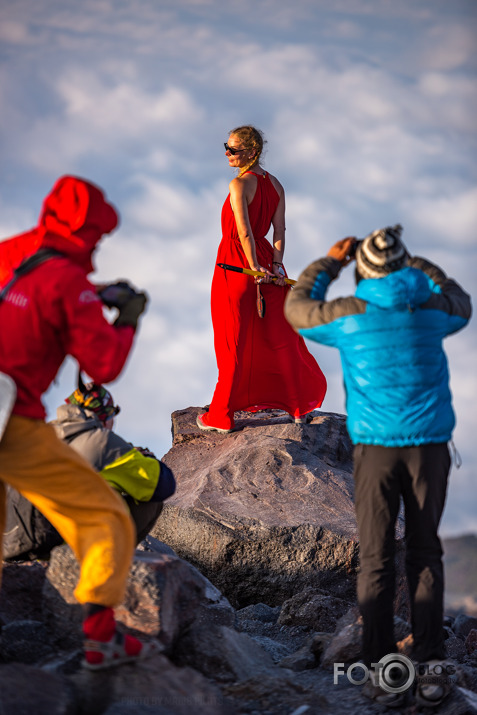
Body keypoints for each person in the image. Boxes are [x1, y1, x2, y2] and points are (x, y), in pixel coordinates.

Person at [284, 225, 471, 708]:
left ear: (364, 271)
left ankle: (379, 669)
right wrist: (420, 268)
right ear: (405, 268)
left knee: (376, 557)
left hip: (376, 451)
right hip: (429, 448)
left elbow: (297, 308)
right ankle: (430, 662)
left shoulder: (351, 315)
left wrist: (329, 263)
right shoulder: (430, 310)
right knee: (426, 552)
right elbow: (459, 299)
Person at [0, 175, 156, 670]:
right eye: (99, 234)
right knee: (103, 515)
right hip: (12, 420)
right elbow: (104, 363)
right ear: (88, 231)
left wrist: (93, 292)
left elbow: (29, 290)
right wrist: (128, 316)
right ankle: (100, 635)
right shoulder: (66, 282)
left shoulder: (8, 252)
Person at [197, 125, 327, 434]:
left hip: (237, 265)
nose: (227, 154)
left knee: (233, 342)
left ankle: (222, 416)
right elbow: (280, 231)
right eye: (226, 148)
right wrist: (277, 267)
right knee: (279, 339)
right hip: (269, 264)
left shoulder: (239, 185)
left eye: (233, 150)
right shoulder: (276, 185)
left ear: (251, 152)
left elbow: (243, 232)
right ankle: (296, 408)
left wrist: (254, 268)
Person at [4, 376, 176, 560]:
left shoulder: (37, 437)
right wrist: (143, 457)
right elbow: (163, 484)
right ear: (104, 418)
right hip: (60, 551)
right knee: (147, 498)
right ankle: (114, 564)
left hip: (10, 546)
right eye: (112, 416)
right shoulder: (101, 441)